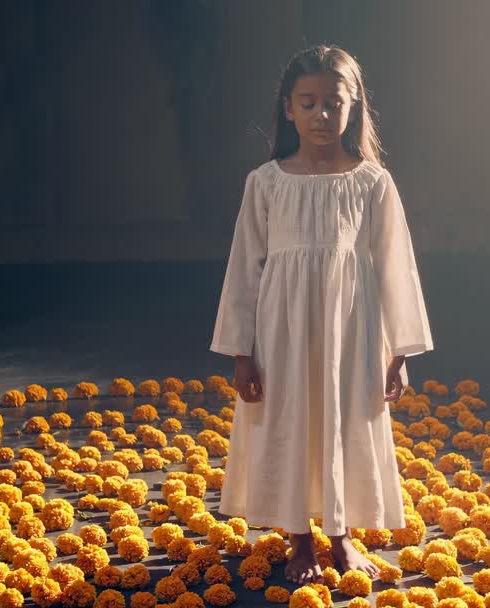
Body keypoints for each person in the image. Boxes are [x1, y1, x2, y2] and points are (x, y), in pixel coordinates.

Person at [210, 44, 434, 584]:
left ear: (353, 107)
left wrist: (399, 351)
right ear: (288, 108)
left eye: (333, 104)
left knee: (342, 422)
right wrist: (242, 354)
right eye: (307, 103)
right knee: (288, 422)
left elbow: (396, 267)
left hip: (352, 332)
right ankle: (300, 541)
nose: (320, 115)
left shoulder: (371, 182)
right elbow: (244, 269)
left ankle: (342, 537)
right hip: (280, 334)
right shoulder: (266, 183)